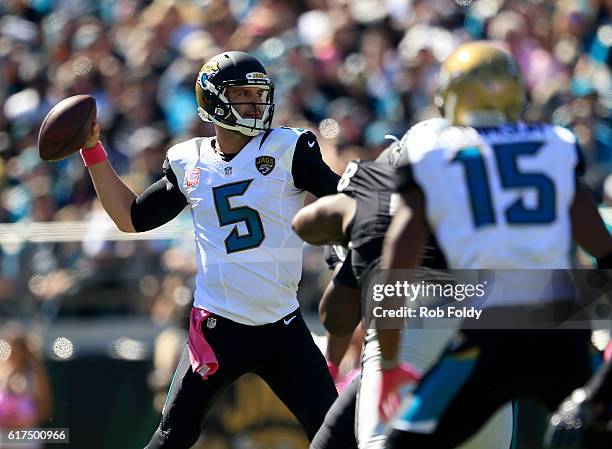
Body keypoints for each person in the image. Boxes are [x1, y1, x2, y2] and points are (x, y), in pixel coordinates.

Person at [77, 51, 339, 449]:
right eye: (244, 95)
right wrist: (93, 151)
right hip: (217, 327)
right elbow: (131, 219)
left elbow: (342, 196)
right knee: (172, 435)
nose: (256, 104)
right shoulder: (190, 161)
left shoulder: (290, 149)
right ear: (214, 102)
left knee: (335, 435)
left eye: (259, 94)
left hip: (282, 325)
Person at [378, 40, 612, 448]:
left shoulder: (432, 150)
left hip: (488, 337)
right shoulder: (553, 143)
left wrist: (390, 360)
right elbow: (603, 249)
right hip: (563, 334)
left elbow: (395, 268)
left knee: (403, 443)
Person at [293, 141, 514, 449]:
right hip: (485, 356)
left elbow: (338, 317)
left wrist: (350, 229)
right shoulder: (486, 200)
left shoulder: (378, 201)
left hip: (406, 349)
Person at [0, 323, 52, 449]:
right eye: (10, 347)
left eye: (16, 348)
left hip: (26, 438)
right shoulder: (2, 373)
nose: (13, 352)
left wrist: (22, 422)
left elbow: (45, 410)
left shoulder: (36, 374)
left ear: (24, 349)